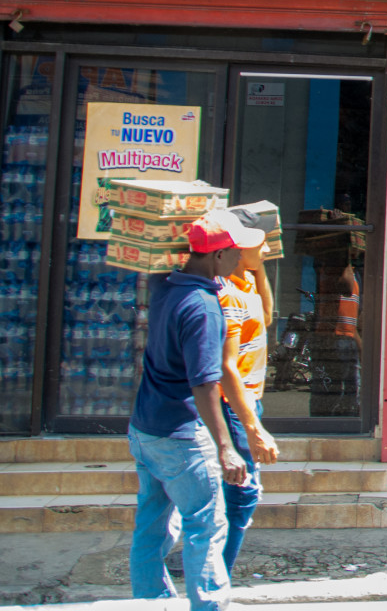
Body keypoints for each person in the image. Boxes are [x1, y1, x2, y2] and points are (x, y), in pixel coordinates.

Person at [129, 213, 251, 611]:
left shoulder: (163, 285)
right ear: (218, 255)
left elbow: (159, 257)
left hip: (145, 429)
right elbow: (204, 384)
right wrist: (225, 447)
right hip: (180, 436)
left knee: (151, 526)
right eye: (235, 251)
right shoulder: (203, 308)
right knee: (206, 525)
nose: (241, 257)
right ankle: (209, 605)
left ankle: (150, 603)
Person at [214, 207, 279, 574]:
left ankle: (211, 566)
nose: (267, 250)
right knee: (242, 493)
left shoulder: (245, 283)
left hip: (250, 400)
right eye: (261, 245)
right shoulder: (226, 295)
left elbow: (267, 316)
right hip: (234, 404)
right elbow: (226, 369)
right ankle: (215, 575)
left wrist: (257, 268)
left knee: (236, 491)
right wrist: (253, 427)